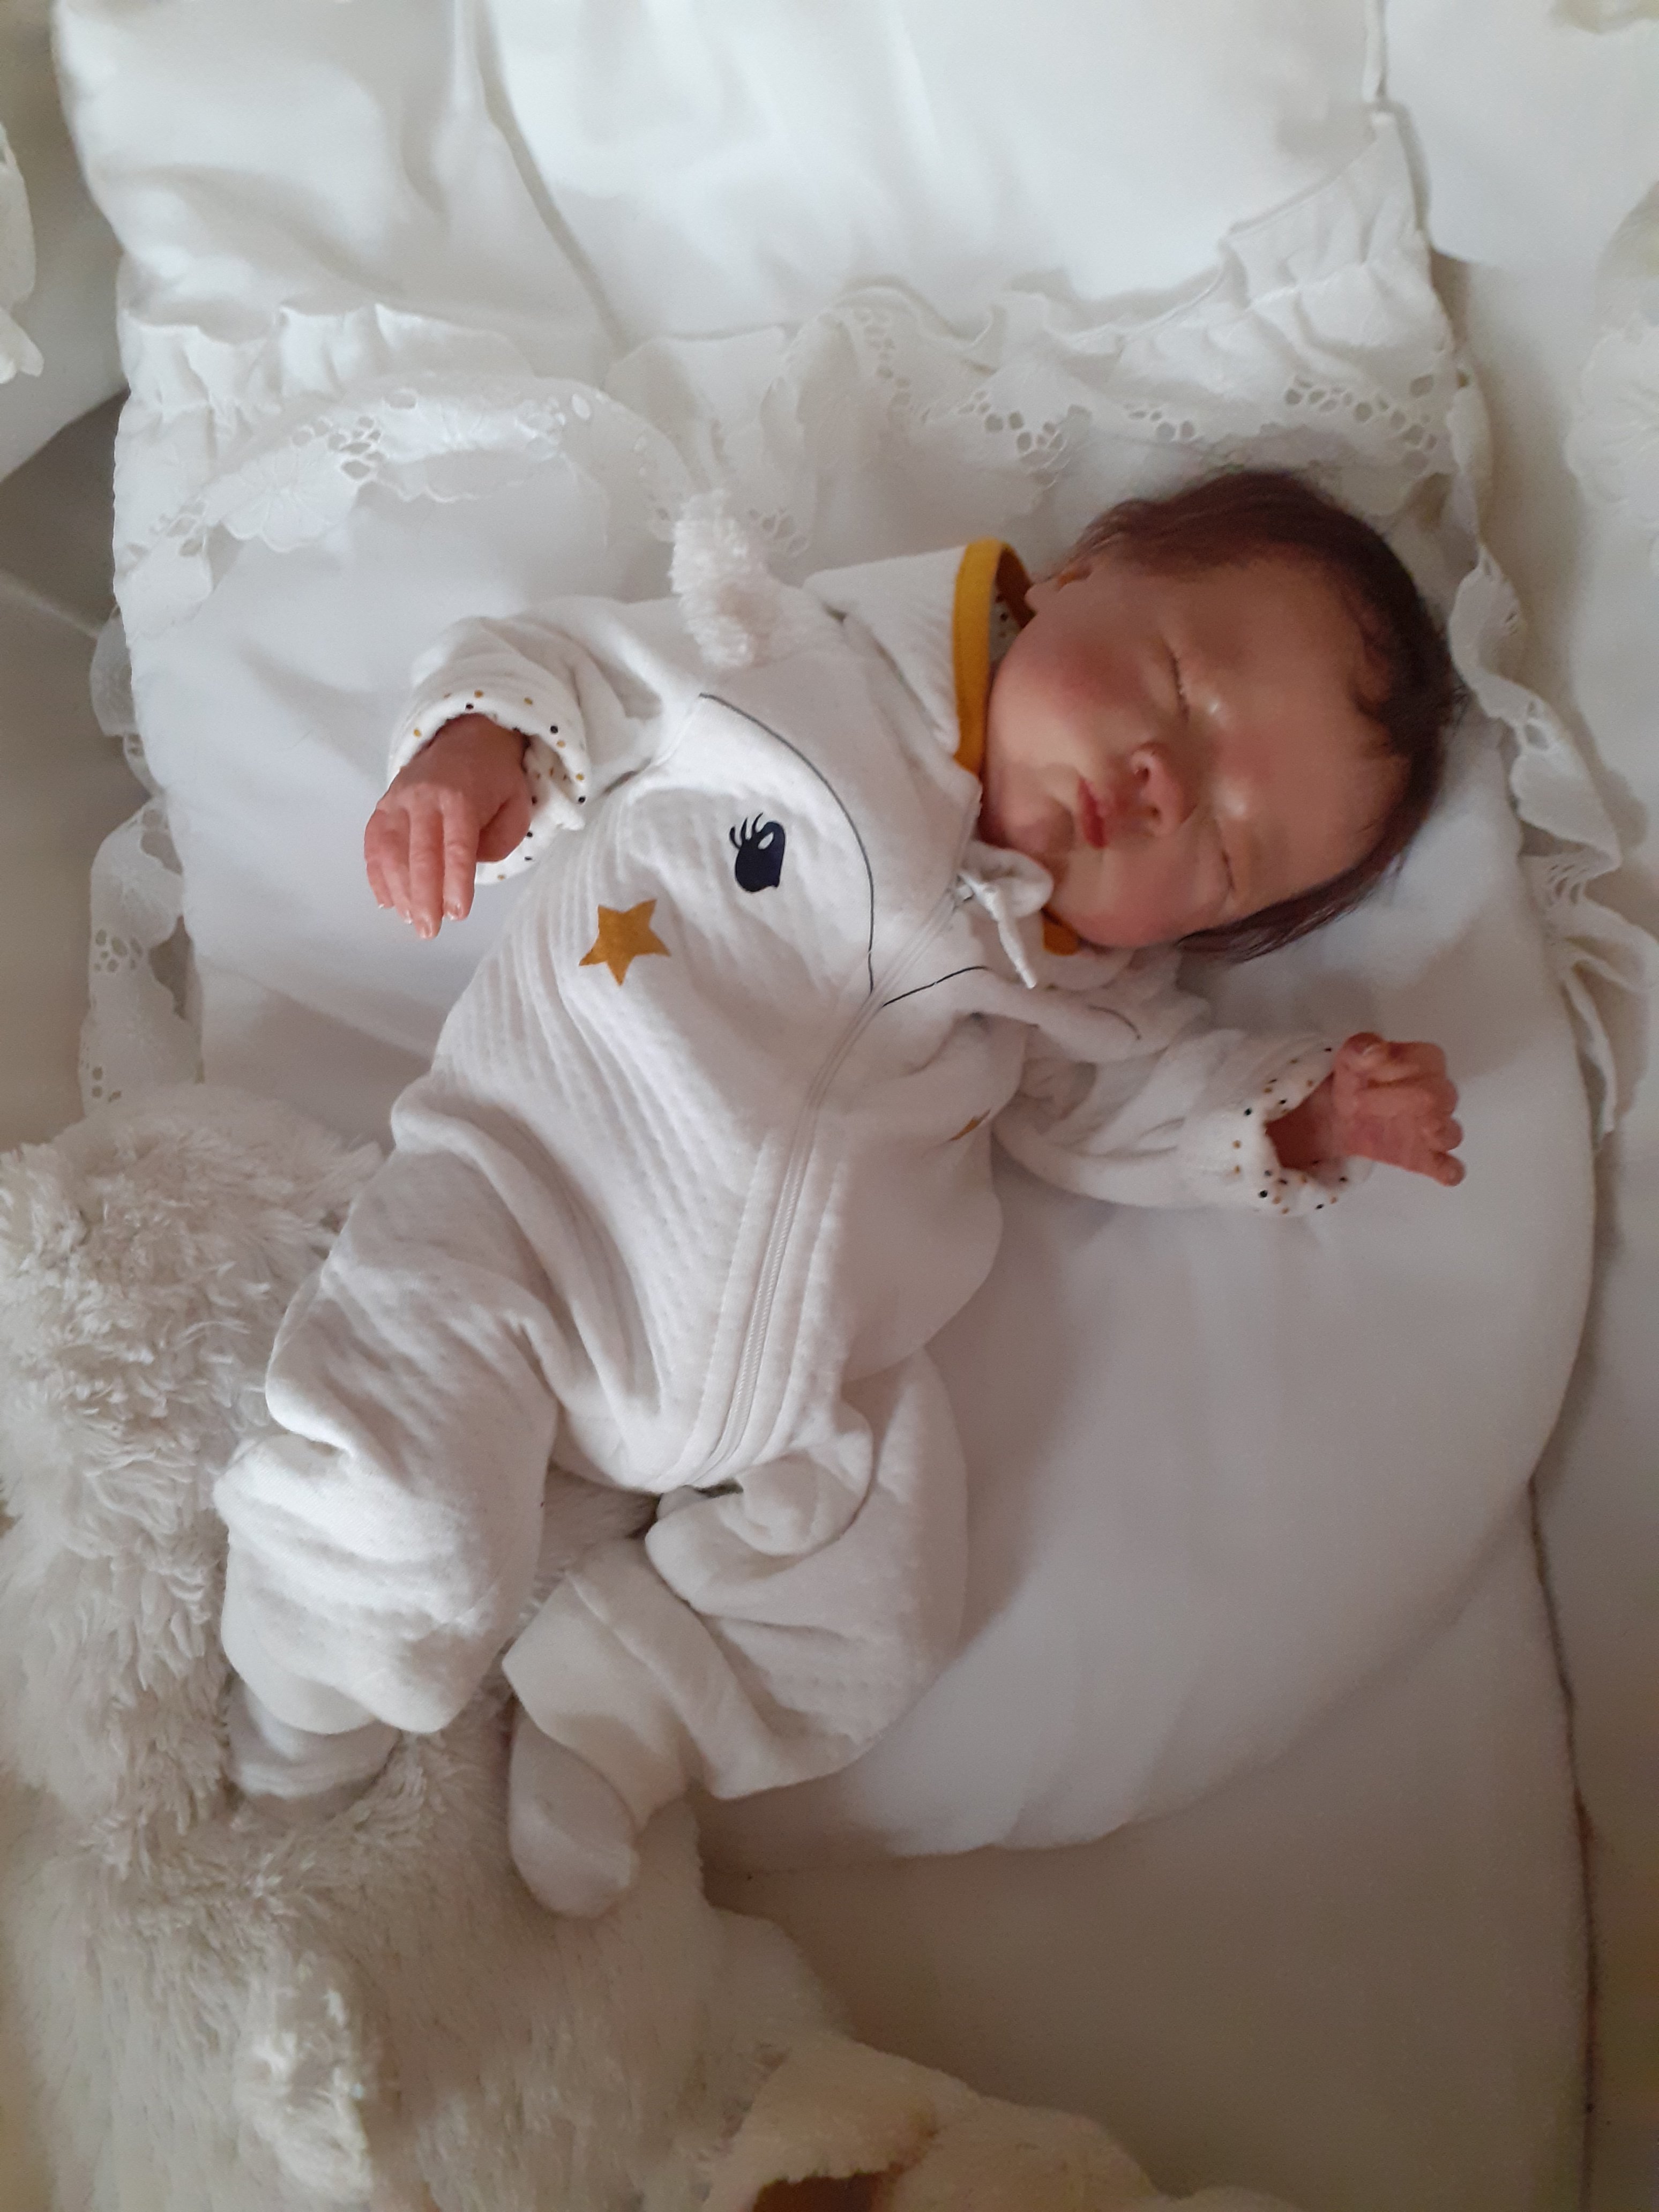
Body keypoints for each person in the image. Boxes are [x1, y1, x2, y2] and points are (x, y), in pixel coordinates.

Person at [216, 469, 1466, 1916]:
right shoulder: (798, 664)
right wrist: (475, 746)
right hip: (529, 1197)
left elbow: (1125, 1109)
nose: (1163, 786)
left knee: (880, 1598)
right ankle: (302, 1710)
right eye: (1181, 688)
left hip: (808, 1372)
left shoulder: (1087, 993)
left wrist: (1300, 1116)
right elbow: (579, 669)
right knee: (397, 1466)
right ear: (1070, 577)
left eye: (1228, 852)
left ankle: (616, 1715)